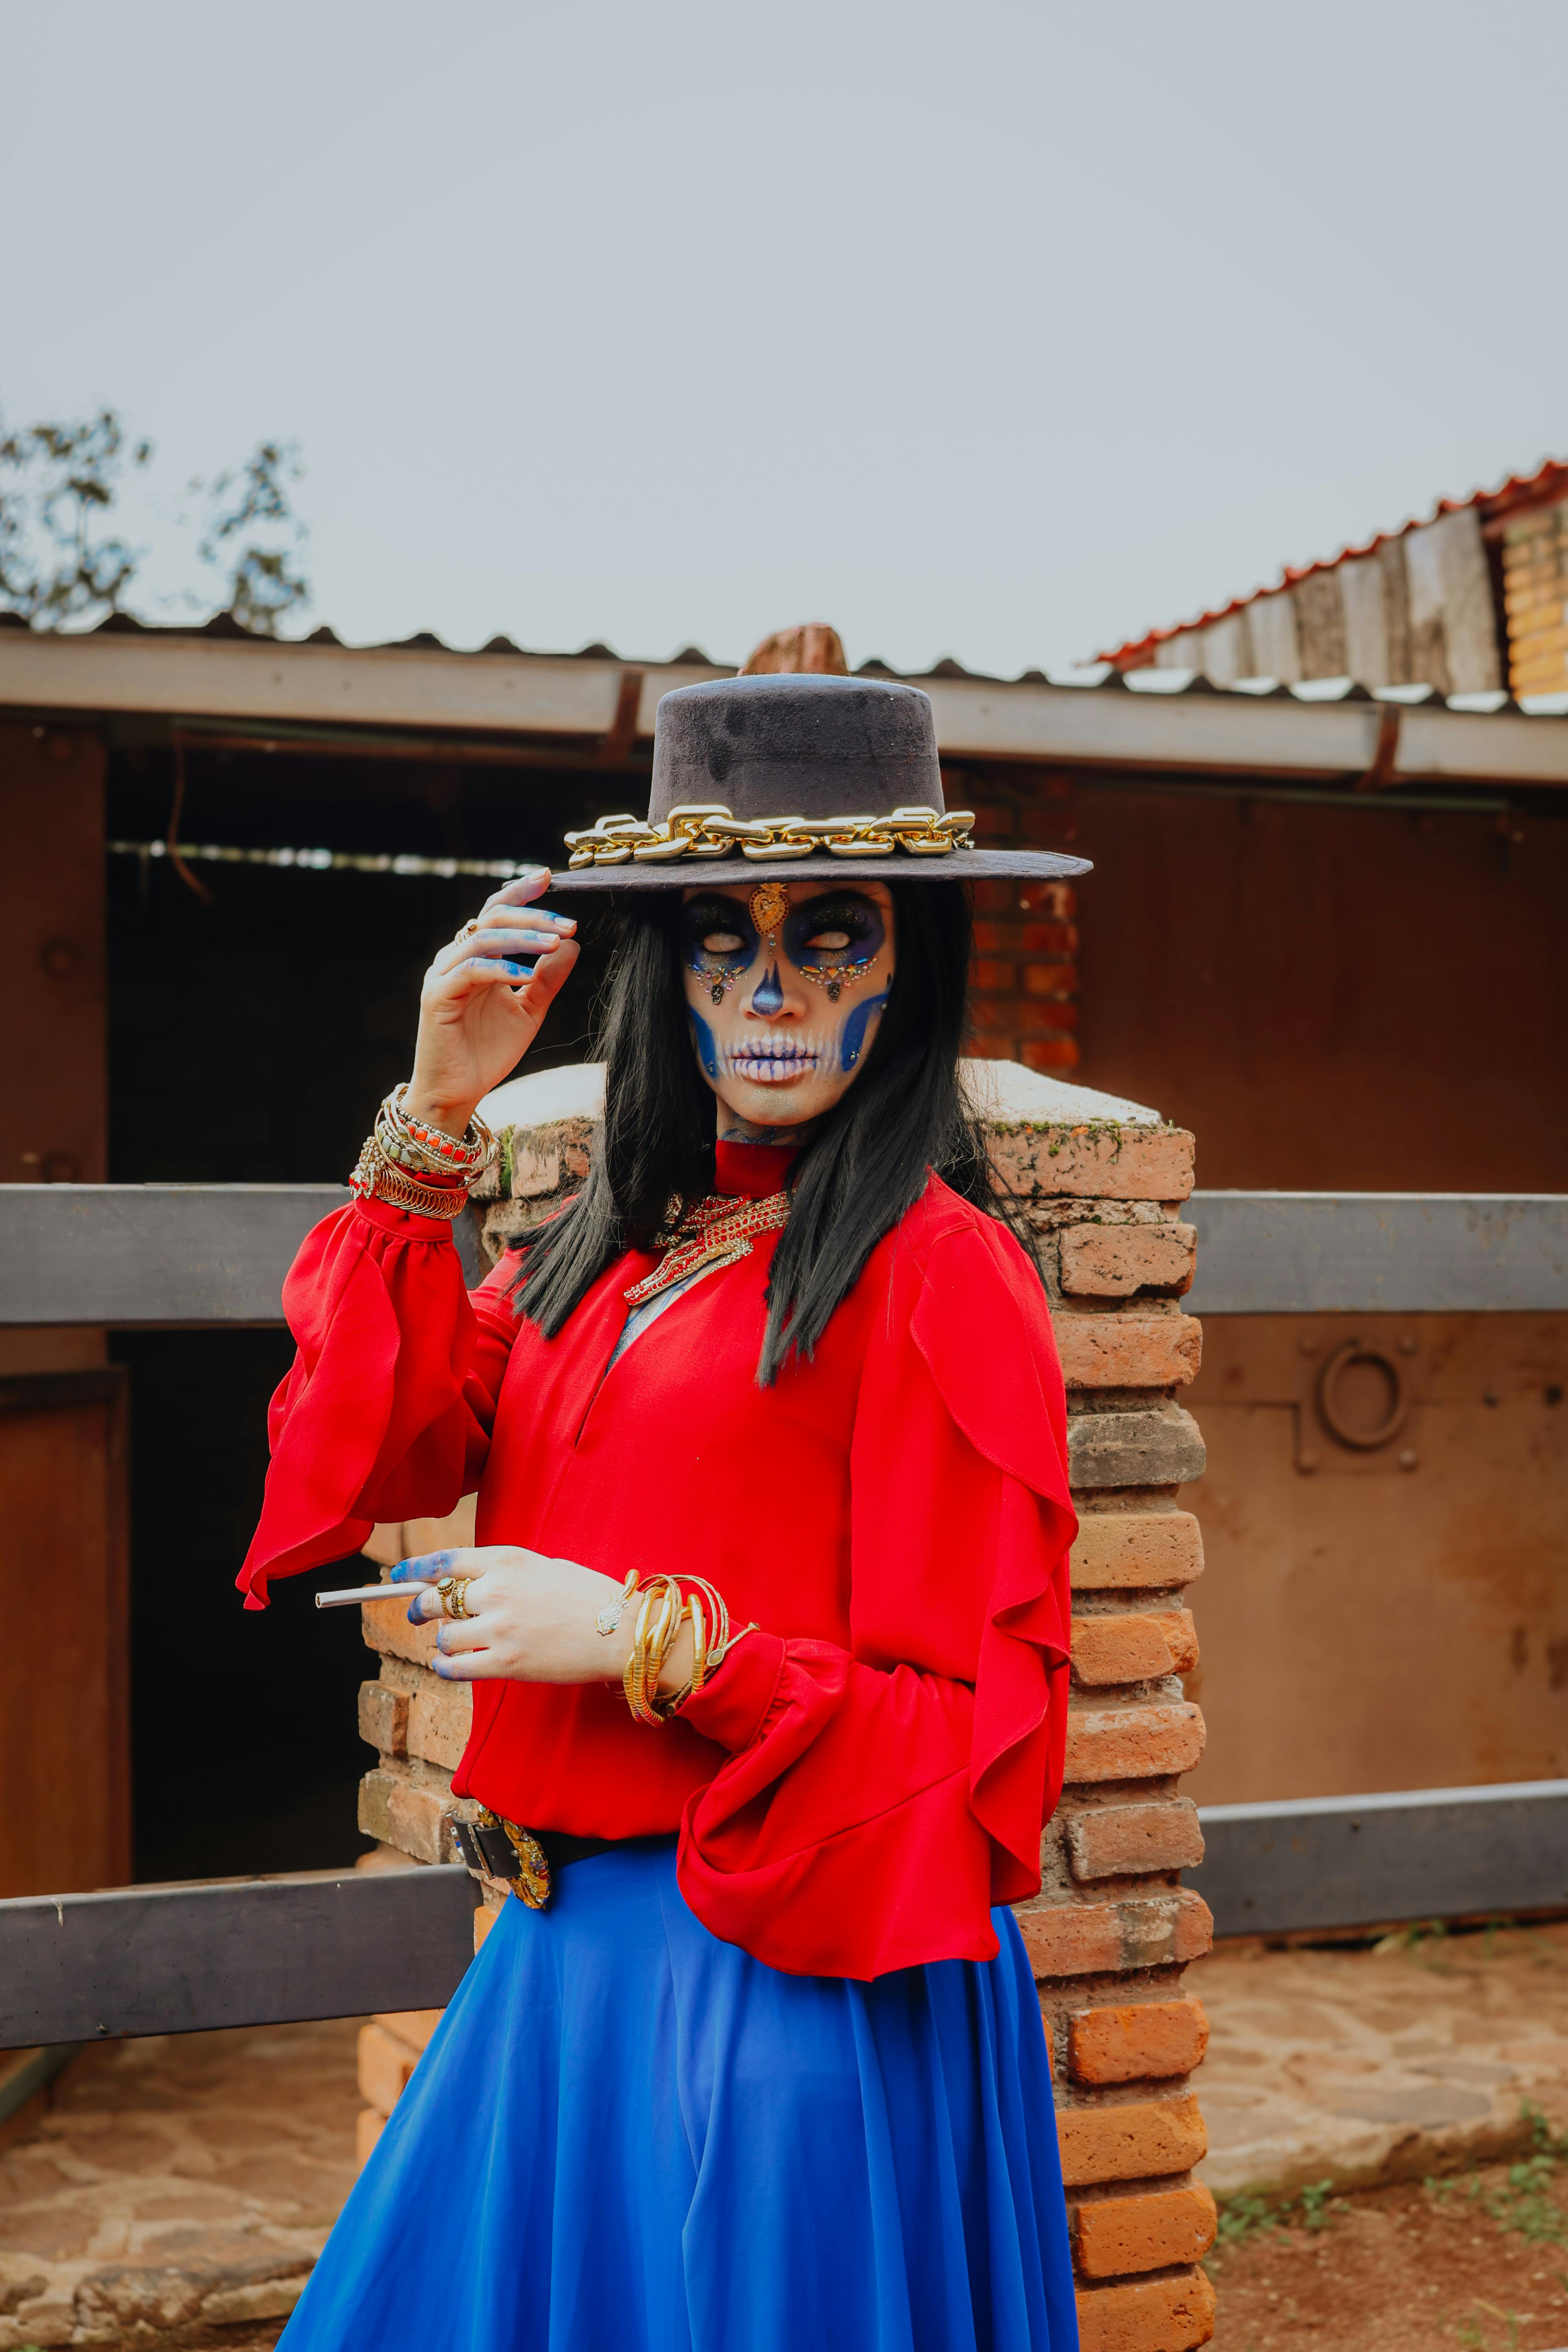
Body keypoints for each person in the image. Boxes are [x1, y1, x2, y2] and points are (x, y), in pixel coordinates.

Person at [241, 674, 1091, 2351]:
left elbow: (970, 1738)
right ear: (664, 966)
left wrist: (634, 1631)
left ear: (911, 965)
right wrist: (438, 1113)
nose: (770, 988)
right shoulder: (614, 1245)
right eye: (720, 937)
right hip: (569, 1978)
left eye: (832, 936)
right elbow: (377, 1454)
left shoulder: (938, 1276)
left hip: (790, 1986)